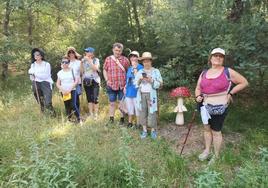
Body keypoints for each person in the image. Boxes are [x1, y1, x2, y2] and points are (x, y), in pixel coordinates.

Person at [195, 48, 248, 164]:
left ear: (223, 59)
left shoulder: (227, 71)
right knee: (206, 129)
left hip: (219, 106)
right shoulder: (204, 72)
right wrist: (197, 96)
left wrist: (231, 93)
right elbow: (198, 87)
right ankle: (207, 150)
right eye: (215, 55)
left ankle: (216, 155)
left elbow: (244, 82)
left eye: (221, 56)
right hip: (204, 106)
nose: (218, 58)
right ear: (211, 58)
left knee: (216, 131)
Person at [134, 52, 163, 139]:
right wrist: (139, 80)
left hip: (151, 95)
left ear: (151, 61)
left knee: (152, 112)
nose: (146, 63)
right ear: (142, 62)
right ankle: (144, 130)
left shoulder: (156, 71)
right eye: (144, 61)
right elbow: (135, 84)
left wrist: (152, 81)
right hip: (141, 95)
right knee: (143, 112)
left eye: (148, 61)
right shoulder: (140, 72)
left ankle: (153, 130)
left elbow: (160, 84)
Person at [103, 43, 130, 125]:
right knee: (112, 103)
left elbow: (128, 72)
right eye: (116, 50)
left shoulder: (125, 60)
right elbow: (104, 69)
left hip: (122, 85)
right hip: (111, 84)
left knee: (122, 103)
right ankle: (111, 119)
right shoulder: (108, 59)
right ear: (113, 50)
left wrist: (127, 84)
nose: (117, 52)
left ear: (121, 51)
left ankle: (122, 119)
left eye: (119, 50)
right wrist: (107, 79)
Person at [28, 48, 55, 116]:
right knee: (40, 101)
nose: (36, 56)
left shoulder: (46, 64)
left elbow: (45, 76)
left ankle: (53, 115)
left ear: (41, 55)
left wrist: (35, 73)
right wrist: (32, 74)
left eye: (37, 54)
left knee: (48, 102)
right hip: (36, 83)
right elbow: (31, 77)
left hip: (46, 83)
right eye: (34, 55)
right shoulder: (33, 65)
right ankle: (44, 114)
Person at [56, 57, 81, 124]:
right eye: (63, 62)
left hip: (72, 90)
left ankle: (79, 119)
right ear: (61, 63)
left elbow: (76, 81)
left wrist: (70, 89)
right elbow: (57, 83)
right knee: (67, 105)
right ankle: (69, 120)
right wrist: (62, 90)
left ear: (69, 63)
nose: (64, 63)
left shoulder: (73, 71)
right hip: (63, 92)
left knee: (73, 105)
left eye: (66, 62)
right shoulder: (59, 73)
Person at [124, 51, 143, 128]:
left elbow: (139, 79)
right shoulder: (129, 68)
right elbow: (127, 78)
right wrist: (125, 87)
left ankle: (138, 124)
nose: (133, 58)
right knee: (129, 107)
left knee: (137, 107)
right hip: (129, 90)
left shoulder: (141, 67)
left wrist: (135, 68)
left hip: (137, 91)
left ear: (138, 58)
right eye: (131, 56)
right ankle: (130, 122)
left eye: (135, 56)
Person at [81, 47, 101, 119]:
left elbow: (95, 69)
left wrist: (89, 60)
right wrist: (81, 62)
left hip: (95, 81)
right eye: (86, 52)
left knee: (95, 98)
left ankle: (96, 114)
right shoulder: (83, 61)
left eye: (88, 52)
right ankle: (91, 113)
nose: (87, 53)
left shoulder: (96, 60)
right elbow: (82, 71)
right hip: (86, 81)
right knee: (89, 98)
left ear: (92, 53)